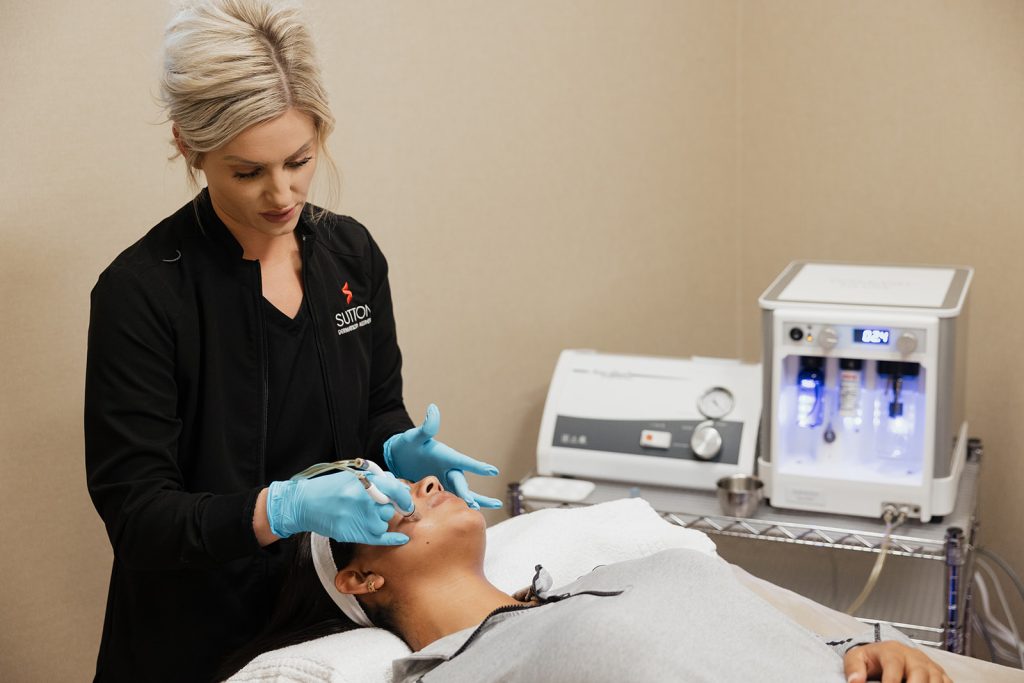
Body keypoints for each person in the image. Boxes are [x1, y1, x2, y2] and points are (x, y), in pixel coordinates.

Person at [84, 1, 500, 680]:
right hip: (192, 636)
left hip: (333, 625)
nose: (281, 193)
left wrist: (396, 443)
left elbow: (375, 412)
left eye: (299, 161)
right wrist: (280, 508)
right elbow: (139, 517)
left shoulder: (350, 254)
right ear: (188, 146)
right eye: (247, 172)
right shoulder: (142, 294)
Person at [219, 476, 953, 683]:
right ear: (359, 579)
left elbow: (805, 640)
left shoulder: (630, 568)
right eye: (377, 498)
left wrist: (869, 644)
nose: (424, 480)